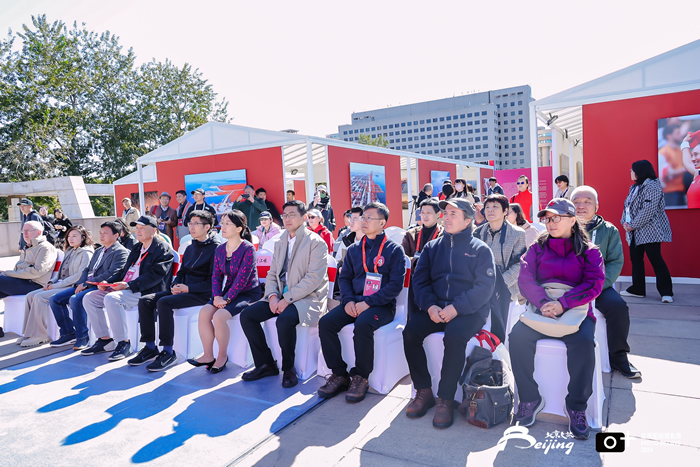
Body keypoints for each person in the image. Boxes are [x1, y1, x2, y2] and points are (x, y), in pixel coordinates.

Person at [509, 198, 604, 440]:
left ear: (572, 220)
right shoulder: (537, 248)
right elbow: (525, 278)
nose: (551, 223)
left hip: (575, 309)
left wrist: (563, 304)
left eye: (557, 218)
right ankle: (530, 398)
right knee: (517, 337)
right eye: (548, 219)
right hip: (541, 307)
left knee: (584, 343)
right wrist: (543, 303)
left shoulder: (590, 251)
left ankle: (576, 406)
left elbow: (593, 283)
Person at [403, 198, 496, 429]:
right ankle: (423, 391)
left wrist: (456, 308)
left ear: (468, 220)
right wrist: (430, 306)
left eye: (454, 214)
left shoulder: (480, 249)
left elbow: (484, 288)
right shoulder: (432, 248)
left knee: (454, 336)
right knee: (410, 332)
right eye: (446, 213)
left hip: (468, 311)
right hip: (436, 308)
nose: (447, 217)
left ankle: (445, 399)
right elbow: (419, 282)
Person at [317, 202, 405, 402]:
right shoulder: (354, 249)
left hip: (381, 305)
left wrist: (369, 303)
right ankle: (339, 374)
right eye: (362, 217)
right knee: (326, 323)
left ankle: (360, 377)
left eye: (369, 218)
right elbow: (344, 278)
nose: (363, 221)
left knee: (363, 324)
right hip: (353, 302)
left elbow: (395, 286)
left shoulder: (394, 250)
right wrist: (347, 301)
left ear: (382, 223)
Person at [240, 200, 329, 388]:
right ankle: (265, 364)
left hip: (307, 298)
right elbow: (272, 273)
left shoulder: (316, 242)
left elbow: (313, 279)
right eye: (284, 215)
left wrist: (286, 300)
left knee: (284, 320)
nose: (287, 219)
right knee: (247, 315)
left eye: (292, 215)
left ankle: (288, 368)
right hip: (281, 295)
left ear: (304, 217)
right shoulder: (281, 240)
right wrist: (273, 296)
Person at [130, 210, 222, 371]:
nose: (191, 227)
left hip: (202, 294)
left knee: (163, 302)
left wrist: (189, 288)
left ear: (207, 227)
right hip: (183, 289)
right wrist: (175, 285)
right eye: (190, 223)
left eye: (196, 224)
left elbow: (213, 282)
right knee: (145, 301)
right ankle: (150, 347)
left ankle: (168, 351)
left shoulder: (216, 249)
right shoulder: (190, 247)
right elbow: (181, 272)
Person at [81, 215, 174, 361]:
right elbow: (124, 271)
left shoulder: (162, 249)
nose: (138, 231)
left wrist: (129, 285)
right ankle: (105, 340)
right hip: (126, 288)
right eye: (137, 228)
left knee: (112, 299)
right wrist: (108, 282)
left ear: (154, 230)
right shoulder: (137, 247)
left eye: (142, 228)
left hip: (146, 291)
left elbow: (155, 276)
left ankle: (124, 343)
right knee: (90, 298)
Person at [572, 185, 641, 379]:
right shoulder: (562, 227)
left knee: (618, 307)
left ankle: (618, 356)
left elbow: (615, 262)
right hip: (569, 286)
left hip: (598, 286)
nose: (581, 206)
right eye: (576, 202)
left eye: (587, 202)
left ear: (597, 206)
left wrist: (597, 287)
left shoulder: (609, 230)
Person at [189, 210, 262, 373]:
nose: (223, 226)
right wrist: (216, 296)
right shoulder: (220, 249)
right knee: (204, 312)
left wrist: (226, 299)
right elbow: (216, 275)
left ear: (239, 228)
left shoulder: (248, 248)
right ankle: (208, 355)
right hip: (228, 291)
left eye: (228, 223)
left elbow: (242, 280)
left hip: (248, 293)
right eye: (223, 223)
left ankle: (222, 356)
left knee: (219, 316)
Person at [49, 221, 129, 350]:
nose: (101, 235)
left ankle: (82, 337)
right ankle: (68, 333)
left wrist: (86, 284)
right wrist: (81, 283)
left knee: (75, 299)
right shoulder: (99, 250)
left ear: (116, 235)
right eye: (100, 233)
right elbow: (87, 269)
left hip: (100, 286)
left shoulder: (120, 252)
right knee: (55, 299)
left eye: (105, 233)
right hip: (87, 284)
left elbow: (112, 273)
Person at [19, 226, 94, 347]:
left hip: (71, 286)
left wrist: (56, 286)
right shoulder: (69, 250)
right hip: (61, 284)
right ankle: (29, 333)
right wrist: (51, 282)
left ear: (83, 237)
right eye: (69, 236)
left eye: (74, 236)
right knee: (30, 296)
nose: (70, 239)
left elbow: (79, 276)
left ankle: (40, 335)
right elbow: (60, 272)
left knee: (39, 297)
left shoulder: (86, 253)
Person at [474, 194, 527, 341]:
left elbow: (519, 265)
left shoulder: (517, 234)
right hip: (481, 289)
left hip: (507, 290)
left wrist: (498, 284)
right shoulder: (477, 233)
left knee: (502, 334)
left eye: (495, 207)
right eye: (487, 207)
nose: (490, 210)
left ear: (505, 211)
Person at [620, 160, 673, 303]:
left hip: (650, 231)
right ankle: (637, 289)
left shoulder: (652, 186)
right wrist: (625, 222)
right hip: (633, 231)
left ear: (640, 171)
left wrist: (633, 224)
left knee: (656, 260)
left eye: (632, 170)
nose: (630, 172)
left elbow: (648, 210)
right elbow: (627, 207)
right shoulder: (634, 187)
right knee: (636, 260)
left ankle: (666, 292)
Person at [0, 220, 58, 337]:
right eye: (23, 231)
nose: (25, 233)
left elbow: (37, 271)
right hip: (23, 281)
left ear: (39, 232)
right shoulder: (28, 247)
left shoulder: (45, 248)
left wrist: (8, 273)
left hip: (35, 285)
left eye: (29, 230)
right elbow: (20, 269)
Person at [402, 199, 444, 320]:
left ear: (438, 214)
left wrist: (417, 261)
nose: (425, 216)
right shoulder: (410, 234)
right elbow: (403, 257)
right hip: (414, 277)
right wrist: (420, 262)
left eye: (428, 213)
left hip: (434, 278)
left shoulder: (443, 234)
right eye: (422, 212)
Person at [660, 124, 692, 207]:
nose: (681, 135)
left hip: (683, 190)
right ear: (669, 136)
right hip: (670, 193)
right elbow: (667, 173)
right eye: (678, 133)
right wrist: (688, 167)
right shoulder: (663, 152)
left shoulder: (680, 150)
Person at [680, 130, 700, 209]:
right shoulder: (697, 173)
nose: (692, 159)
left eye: (696, 154)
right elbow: (687, 162)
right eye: (692, 155)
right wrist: (685, 142)